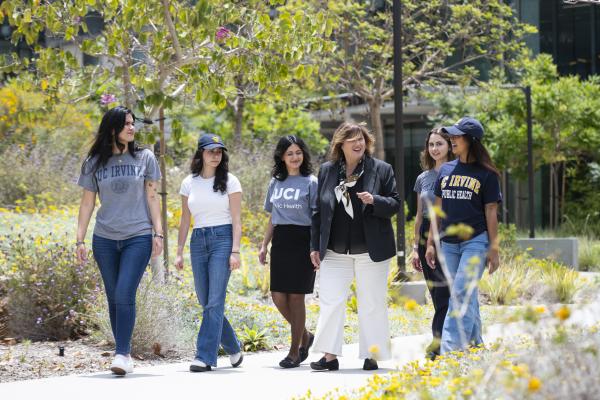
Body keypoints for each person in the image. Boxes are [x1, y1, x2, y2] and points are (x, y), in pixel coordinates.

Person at [76, 106, 163, 376]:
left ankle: (122, 354)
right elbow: (87, 202)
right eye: (126, 124)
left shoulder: (145, 157)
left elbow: (152, 197)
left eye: (133, 123)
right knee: (114, 296)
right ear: (112, 128)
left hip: (137, 236)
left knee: (125, 292)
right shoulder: (94, 162)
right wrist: (79, 240)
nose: (132, 128)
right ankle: (122, 351)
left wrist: (158, 233)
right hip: (104, 239)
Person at [309, 122, 401, 371]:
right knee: (331, 301)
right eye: (352, 140)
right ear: (341, 144)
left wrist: (374, 201)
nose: (358, 143)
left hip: (371, 251)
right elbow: (318, 211)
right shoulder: (328, 171)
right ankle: (329, 356)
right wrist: (314, 246)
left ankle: (371, 355)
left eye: (361, 139)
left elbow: (395, 204)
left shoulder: (381, 169)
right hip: (334, 250)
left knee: (371, 303)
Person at [425, 117, 501, 354]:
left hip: (475, 242)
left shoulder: (487, 174)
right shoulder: (446, 169)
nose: (452, 140)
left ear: (471, 140)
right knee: (466, 295)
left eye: (457, 136)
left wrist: (494, 248)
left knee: (461, 295)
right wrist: (430, 243)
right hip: (448, 244)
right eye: (452, 136)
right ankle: (476, 345)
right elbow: (437, 210)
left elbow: (491, 212)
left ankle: (451, 351)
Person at [175, 133, 243, 372]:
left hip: (223, 239)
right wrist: (179, 251)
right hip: (198, 240)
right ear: (201, 153)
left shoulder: (231, 181)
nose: (216, 155)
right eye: (211, 151)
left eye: (219, 151)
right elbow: (185, 220)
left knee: (215, 301)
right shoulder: (188, 182)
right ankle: (234, 347)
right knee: (206, 301)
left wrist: (235, 251)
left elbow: (236, 219)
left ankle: (204, 356)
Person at [258, 135, 318, 368]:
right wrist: (264, 244)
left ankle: (295, 351)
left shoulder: (311, 181)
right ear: (282, 157)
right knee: (278, 296)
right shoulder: (276, 182)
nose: (295, 157)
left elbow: (316, 218)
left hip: (303, 240)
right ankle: (305, 334)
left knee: (296, 297)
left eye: (298, 152)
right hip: (281, 240)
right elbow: (273, 216)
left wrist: (315, 247)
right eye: (290, 153)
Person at [410, 128, 454, 360]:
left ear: (449, 145)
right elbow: (419, 215)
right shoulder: (423, 178)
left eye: (439, 144)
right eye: (431, 144)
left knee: (448, 292)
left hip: (450, 233)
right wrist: (415, 248)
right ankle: (441, 341)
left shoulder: (457, 173)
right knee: (437, 293)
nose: (435, 149)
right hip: (427, 233)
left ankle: (441, 343)